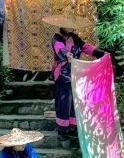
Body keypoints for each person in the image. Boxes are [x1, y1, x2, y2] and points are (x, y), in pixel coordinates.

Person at [43, 14, 103, 145]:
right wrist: (66, 54)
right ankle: (62, 130)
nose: (69, 28)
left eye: (71, 26)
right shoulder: (57, 38)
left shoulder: (75, 38)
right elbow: (59, 47)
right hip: (62, 74)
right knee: (64, 101)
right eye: (67, 25)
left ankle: (73, 128)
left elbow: (85, 47)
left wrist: (99, 53)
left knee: (74, 101)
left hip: (74, 72)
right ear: (62, 26)